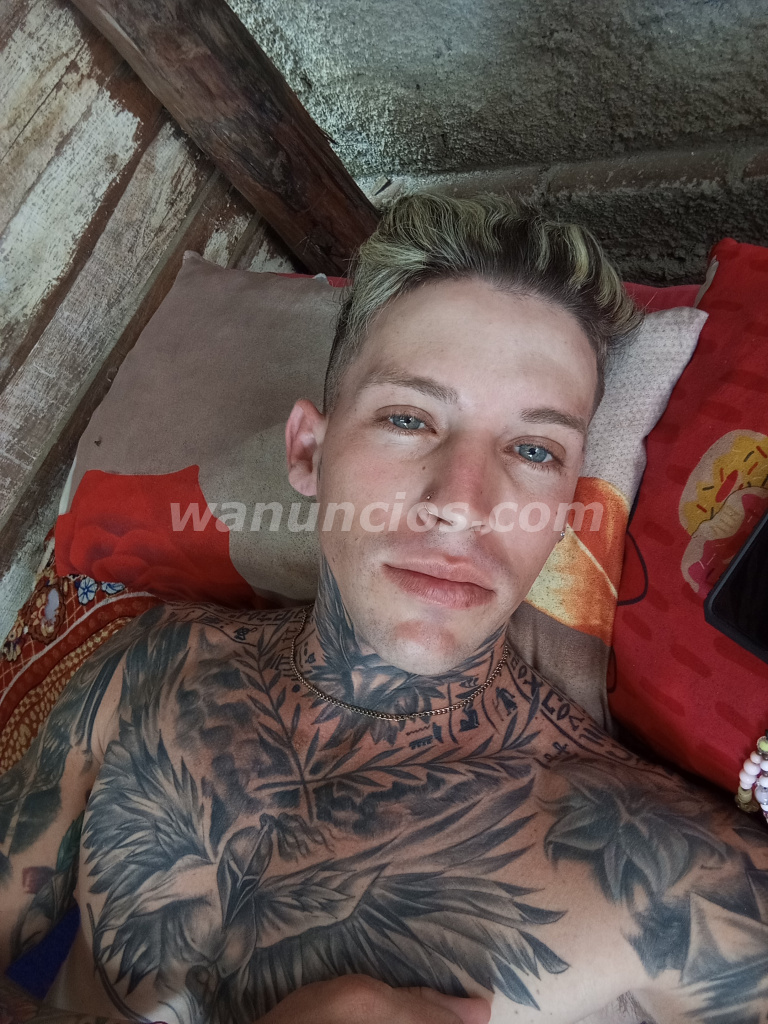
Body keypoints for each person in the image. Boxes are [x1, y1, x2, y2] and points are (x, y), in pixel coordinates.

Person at [1, 194, 766, 1024]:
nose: (462, 504)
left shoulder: (672, 872)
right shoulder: (148, 663)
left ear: (565, 513)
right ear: (309, 452)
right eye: (409, 419)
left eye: (534, 449)